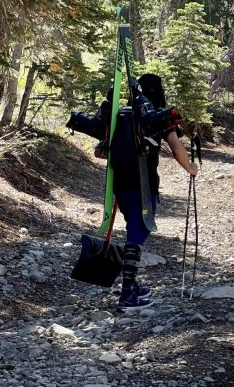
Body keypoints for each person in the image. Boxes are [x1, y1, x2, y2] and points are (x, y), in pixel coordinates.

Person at [68, 73, 198, 310]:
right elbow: (176, 145)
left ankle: (133, 285)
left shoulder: (120, 114)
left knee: (133, 228)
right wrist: (190, 168)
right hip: (145, 185)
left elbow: (100, 150)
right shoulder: (154, 118)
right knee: (137, 234)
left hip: (120, 185)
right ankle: (127, 294)